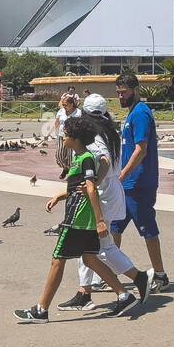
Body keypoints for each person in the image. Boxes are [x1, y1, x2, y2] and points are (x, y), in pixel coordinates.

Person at [13, 114, 138, 323]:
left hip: (78, 219)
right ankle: (124, 295)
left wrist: (100, 220)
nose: (63, 136)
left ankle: (41, 310)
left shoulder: (86, 159)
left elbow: (90, 188)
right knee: (89, 258)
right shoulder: (80, 158)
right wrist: (59, 197)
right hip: (82, 217)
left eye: (66, 134)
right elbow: (78, 187)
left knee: (57, 260)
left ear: (76, 139)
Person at [56, 97, 149, 310]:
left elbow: (104, 159)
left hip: (102, 193)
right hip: (110, 190)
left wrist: (94, 181)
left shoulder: (95, 134)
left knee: (98, 246)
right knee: (92, 247)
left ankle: (137, 278)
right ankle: (86, 291)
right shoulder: (109, 129)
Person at [115, 74, 169, 294]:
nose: (120, 96)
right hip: (126, 185)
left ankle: (160, 275)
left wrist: (122, 176)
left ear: (135, 90)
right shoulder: (131, 113)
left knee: (147, 229)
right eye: (118, 92)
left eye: (124, 92)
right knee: (114, 228)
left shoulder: (141, 113)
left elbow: (141, 149)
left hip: (139, 184)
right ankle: (109, 272)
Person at [55, 91, 79, 177]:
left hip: (72, 137)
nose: (64, 107)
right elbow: (57, 123)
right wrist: (56, 133)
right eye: (63, 105)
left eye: (66, 105)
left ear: (72, 104)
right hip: (61, 136)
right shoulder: (61, 111)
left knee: (70, 156)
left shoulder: (78, 113)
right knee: (59, 155)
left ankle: (69, 171)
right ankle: (65, 167)